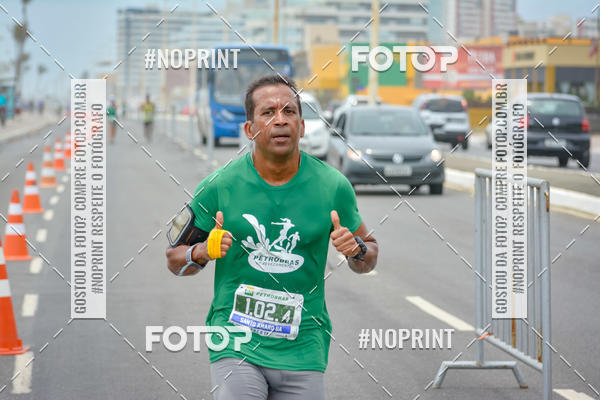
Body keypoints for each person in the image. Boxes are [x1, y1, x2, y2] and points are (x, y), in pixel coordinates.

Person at [165, 74, 378, 400]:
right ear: (249, 129)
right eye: (268, 112)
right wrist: (202, 251)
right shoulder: (219, 186)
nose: (280, 120)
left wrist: (357, 249)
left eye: (289, 111)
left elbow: (369, 256)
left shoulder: (333, 186)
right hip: (235, 340)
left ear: (302, 126)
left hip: (304, 344)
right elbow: (174, 259)